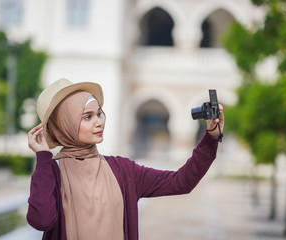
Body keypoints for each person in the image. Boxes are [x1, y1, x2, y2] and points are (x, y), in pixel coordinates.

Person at [26, 78, 224, 240]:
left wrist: (212, 136)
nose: (99, 122)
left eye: (99, 114)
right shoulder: (52, 171)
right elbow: (42, 220)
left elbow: (182, 182)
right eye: (87, 117)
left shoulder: (122, 170)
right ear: (65, 125)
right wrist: (43, 157)